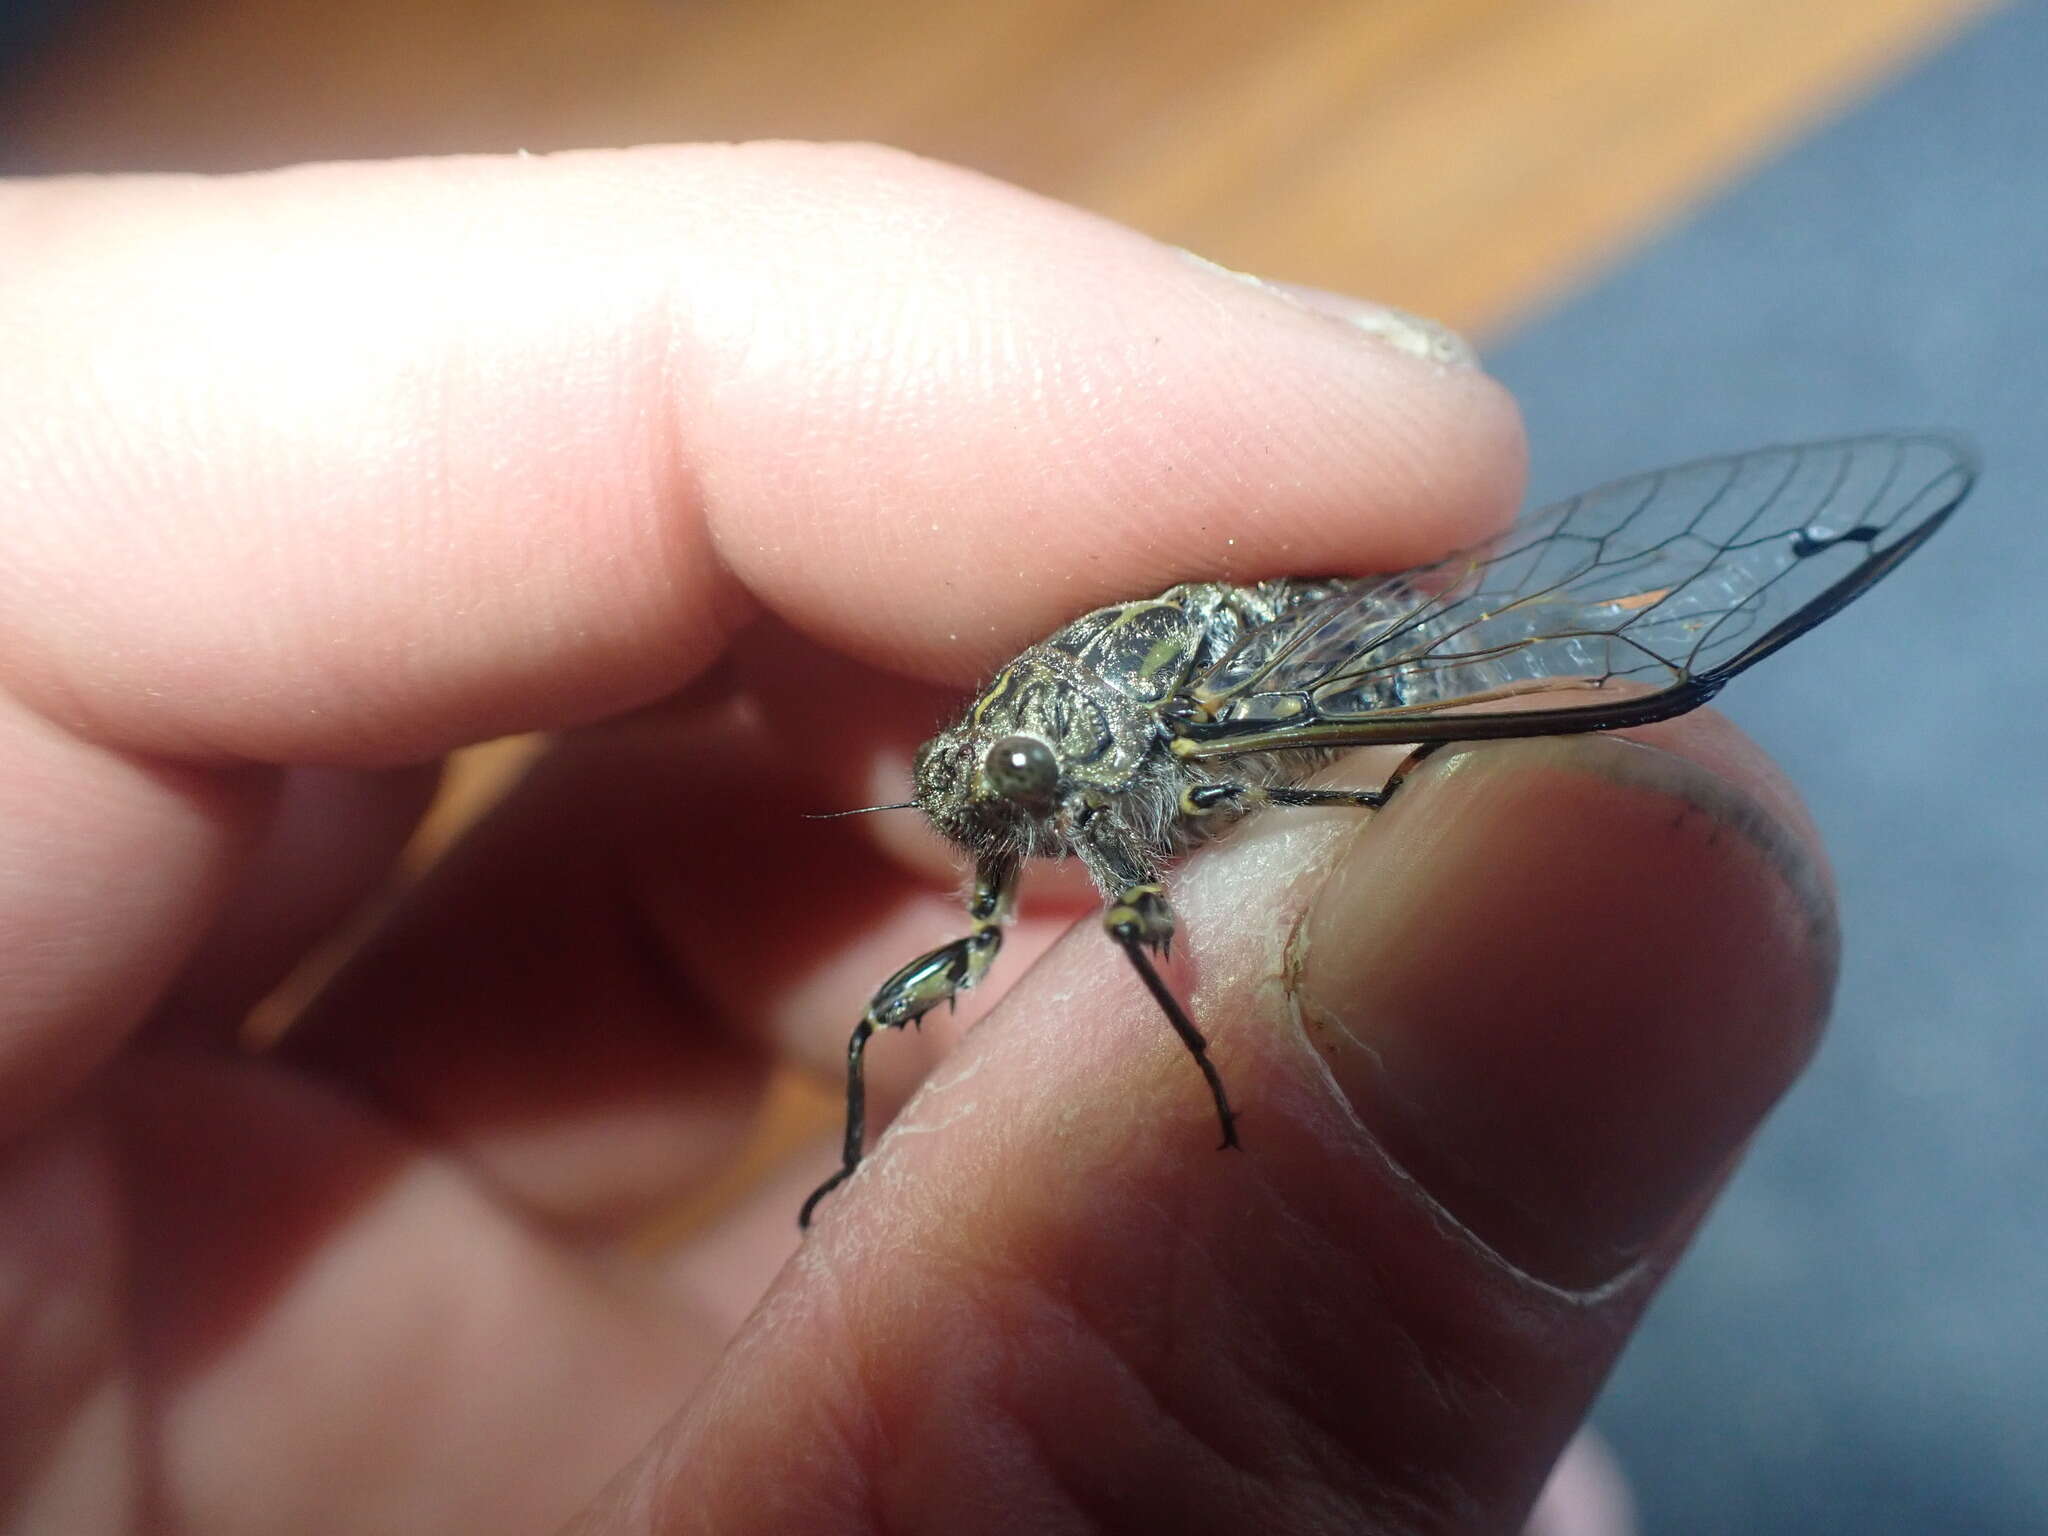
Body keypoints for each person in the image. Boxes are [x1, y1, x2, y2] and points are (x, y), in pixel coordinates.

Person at [0, 142, 1831, 1534]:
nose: (985, 835)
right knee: (956, 1000)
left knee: (1391, 845)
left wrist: (1220, 1088)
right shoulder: (1001, 807)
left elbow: (1151, 882)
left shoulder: (1112, 794)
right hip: (1225, 680)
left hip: (1277, 675)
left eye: (1001, 798)